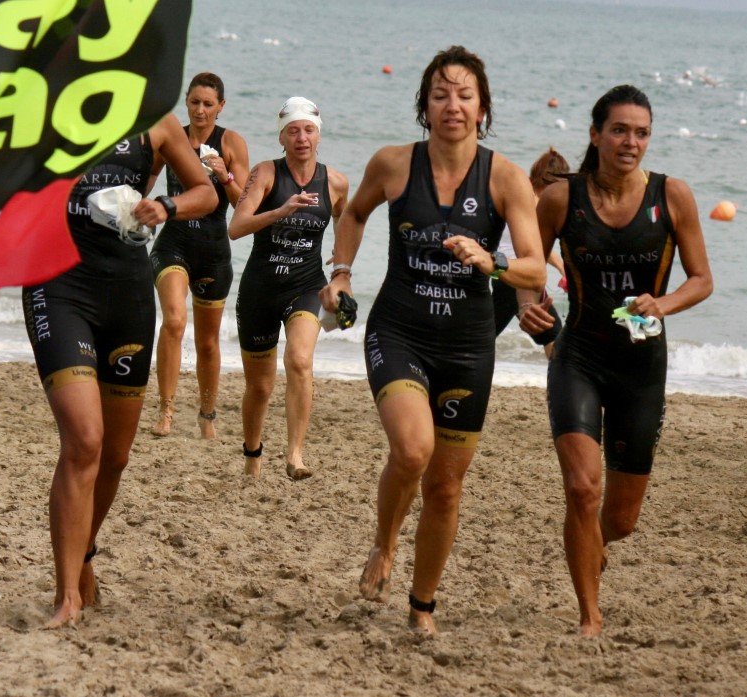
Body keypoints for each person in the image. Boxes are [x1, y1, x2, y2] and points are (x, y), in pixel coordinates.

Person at [319, 46, 544, 633]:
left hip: (468, 347)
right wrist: (340, 273)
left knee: (445, 487)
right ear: (424, 105)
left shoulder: (507, 179)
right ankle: (384, 542)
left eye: (465, 95)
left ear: (482, 108)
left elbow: (536, 270)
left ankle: (422, 606)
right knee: (413, 449)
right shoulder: (394, 164)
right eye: (441, 94)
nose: (453, 105)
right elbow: (355, 214)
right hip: (400, 331)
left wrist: (489, 261)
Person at [520, 85, 713, 636]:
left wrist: (664, 302)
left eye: (642, 132)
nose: (632, 142)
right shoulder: (560, 198)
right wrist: (530, 308)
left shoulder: (673, 196)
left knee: (621, 520)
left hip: (641, 367)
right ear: (596, 135)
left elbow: (702, 279)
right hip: (578, 356)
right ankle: (589, 616)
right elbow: (528, 268)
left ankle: (593, 546)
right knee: (583, 488)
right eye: (621, 130)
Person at [23, 114, 216, 627]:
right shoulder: (45, 104)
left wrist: (166, 206)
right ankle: (66, 594)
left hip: (128, 289)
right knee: (84, 440)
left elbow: (206, 192)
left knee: (115, 454)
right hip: (58, 282)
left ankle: (82, 552)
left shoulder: (156, 122)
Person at [229, 97, 348, 481]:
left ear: (319, 135)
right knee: (260, 387)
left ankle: (295, 453)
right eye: (293, 130)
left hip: (306, 285)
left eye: (308, 130)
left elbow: (349, 224)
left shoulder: (335, 182)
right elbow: (236, 227)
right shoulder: (266, 173)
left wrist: (341, 269)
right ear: (282, 136)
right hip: (261, 288)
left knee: (299, 360)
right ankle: (252, 453)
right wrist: (280, 212)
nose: (301, 137)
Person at [148, 72, 250, 440]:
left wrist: (225, 176)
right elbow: (147, 178)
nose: (201, 110)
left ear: (221, 107)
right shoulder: (171, 137)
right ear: (186, 103)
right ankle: (167, 412)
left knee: (207, 342)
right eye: (194, 102)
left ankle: (207, 414)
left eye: (209, 104)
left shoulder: (232, 143)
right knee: (174, 321)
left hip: (213, 251)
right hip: (173, 243)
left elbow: (244, 207)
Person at [491, 146, 569, 359]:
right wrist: (563, 268)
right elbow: (535, 248)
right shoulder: (539, 203)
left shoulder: (520, 193)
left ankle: (558, 383)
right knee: (553, 333)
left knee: (551, 332)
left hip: (502, 272)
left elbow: (538, 248)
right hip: (518, 277)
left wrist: (561, 267)